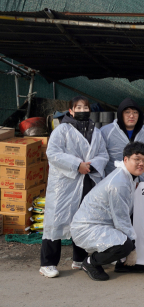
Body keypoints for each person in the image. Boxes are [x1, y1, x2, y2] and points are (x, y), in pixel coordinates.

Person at [40, 96, 109, 279]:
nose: (82, 110)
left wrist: (92, 165)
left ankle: (79, 259)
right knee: (56, 221)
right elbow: (53, 153)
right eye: (78, 107)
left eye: (85, 107)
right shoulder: (62, 130)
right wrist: (76, 164)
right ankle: (48, 263)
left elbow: (103, 154)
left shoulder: (97, 131)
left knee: (82, 220)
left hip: (88, 180)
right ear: (70, 111)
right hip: (65, 183)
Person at [70, 142, 144, 281]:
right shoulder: (118, 183)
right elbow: (121, 219)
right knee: (124, 245)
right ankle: (90, 263)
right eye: (136, 159)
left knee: (133, 225)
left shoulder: (128, 176)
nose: (141, 163)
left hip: (104, 223)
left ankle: (122, 264)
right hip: (87, 228)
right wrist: (132, 249)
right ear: (126, 159)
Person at [101, 98, 144, 175]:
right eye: (127, 112)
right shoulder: (106, 132)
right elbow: (100, 156)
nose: (132, 116)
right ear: (120, 114)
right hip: (114, 179)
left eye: (135, 112)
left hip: (142, 182)